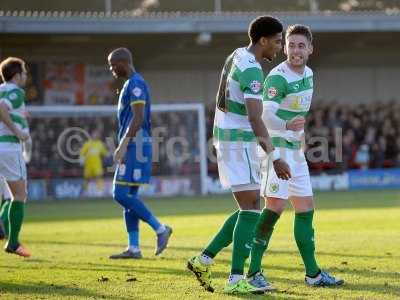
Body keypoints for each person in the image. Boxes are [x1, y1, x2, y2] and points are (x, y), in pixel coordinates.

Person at [187, 16, 291, 294]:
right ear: (263, 40)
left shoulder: (237, 55)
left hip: (228, 137)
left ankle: (203, 259)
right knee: (252, 210)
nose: (280, 48)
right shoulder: (253, 72)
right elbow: (256, 119)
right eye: (278, 41)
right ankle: (235, 280)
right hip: (238, 143)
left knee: (249, 207)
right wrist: (275, 157)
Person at [246, 24, 344, 291]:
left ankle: (313, 274)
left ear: (310, 49)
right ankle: (252, 272)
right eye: (291, 45)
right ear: (285, 48)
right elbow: (265, 116)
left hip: (294, 151)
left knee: (306, 208)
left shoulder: (309, 74)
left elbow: (298, 114)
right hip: (275, 150)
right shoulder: (278, 77)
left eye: (301, 45)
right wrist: (288, 128)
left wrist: (299, 139)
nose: (296, 50)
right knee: (274, 208)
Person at [107, 47, 172, 259]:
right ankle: (134, 248)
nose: (111, 69)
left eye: (113, 65)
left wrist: (123, 144)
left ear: (123, 62)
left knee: (120, 194)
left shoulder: (135, 84)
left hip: (136, 144)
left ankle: (161, 229)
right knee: (129, 196)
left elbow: (137, 118)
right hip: (136, 143)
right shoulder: (130, 83)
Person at [0, 57, 31, 257]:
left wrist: (21, 116)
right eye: (25, 72)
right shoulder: (16, 91)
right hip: (9, 147)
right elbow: (2, 108)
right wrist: (18, 132)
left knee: (7, 196)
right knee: (19, 195)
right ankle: (13, 242)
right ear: (17, 75)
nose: (26, 76)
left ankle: (2, 227)